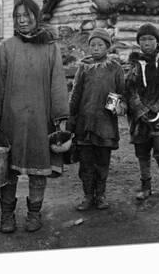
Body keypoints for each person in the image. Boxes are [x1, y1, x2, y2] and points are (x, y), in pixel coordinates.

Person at [0, 0, 69, 233]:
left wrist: (60, 115)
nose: (22, 20)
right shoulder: (7, 47)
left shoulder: (50, 48)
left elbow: (58, 83)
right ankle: (7, 216)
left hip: (40, 118)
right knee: (8, 169)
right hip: (10, 118)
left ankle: (34, 214)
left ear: (36, 16)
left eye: (27, 15)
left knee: (38, 167)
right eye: (17, 16)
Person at [68, 28, 126, 211]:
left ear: (107, 47)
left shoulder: (115, 68)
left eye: (100, 45)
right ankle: (87, 196)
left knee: (102, 162)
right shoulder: (83, 67)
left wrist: (118, 106)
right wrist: (71, 117)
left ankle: (100, 195)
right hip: (84, 124)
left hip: (105, 125)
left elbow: (121, 92)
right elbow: (75, 94)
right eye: (93, 45)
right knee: (86, 163)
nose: (96, 48)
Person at [125, 23, 159, 207]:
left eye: (150, 39)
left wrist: (156, 108)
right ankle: (146, 185)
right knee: (142, 151)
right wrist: (141, 110)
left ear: (157, 41)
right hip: (139, 117)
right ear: (138, 42)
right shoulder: (133, 64)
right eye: (143, 39)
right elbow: (129, 90)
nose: (147, 42)